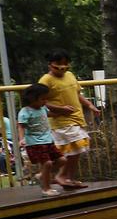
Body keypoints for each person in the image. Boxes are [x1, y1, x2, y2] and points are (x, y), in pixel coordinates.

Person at [38, 49, 98, 189]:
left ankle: (67, 177)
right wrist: (61, 109)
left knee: (76, 150)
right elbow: (41, 101)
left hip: (77, 118)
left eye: (65, 64)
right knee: (76, 146)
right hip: (61, 121)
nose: (62, 67)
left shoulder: (70, 75)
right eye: (59, 64)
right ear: (50, 64)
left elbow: (77, 94)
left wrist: (89, 105)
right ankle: (60, 175)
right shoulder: (45, 80)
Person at [17, 83, 65, 197]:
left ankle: (41, 175)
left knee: (62, 160)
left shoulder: (42, 108)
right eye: (42, 99)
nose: (45, 101)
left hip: (48, 141)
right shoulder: (25, 111)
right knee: (47, 163)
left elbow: (49, 114)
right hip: (35, 143)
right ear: (32, 99)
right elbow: (21, 126)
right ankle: (46, 189)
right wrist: (21, 139)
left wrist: (63, 112)